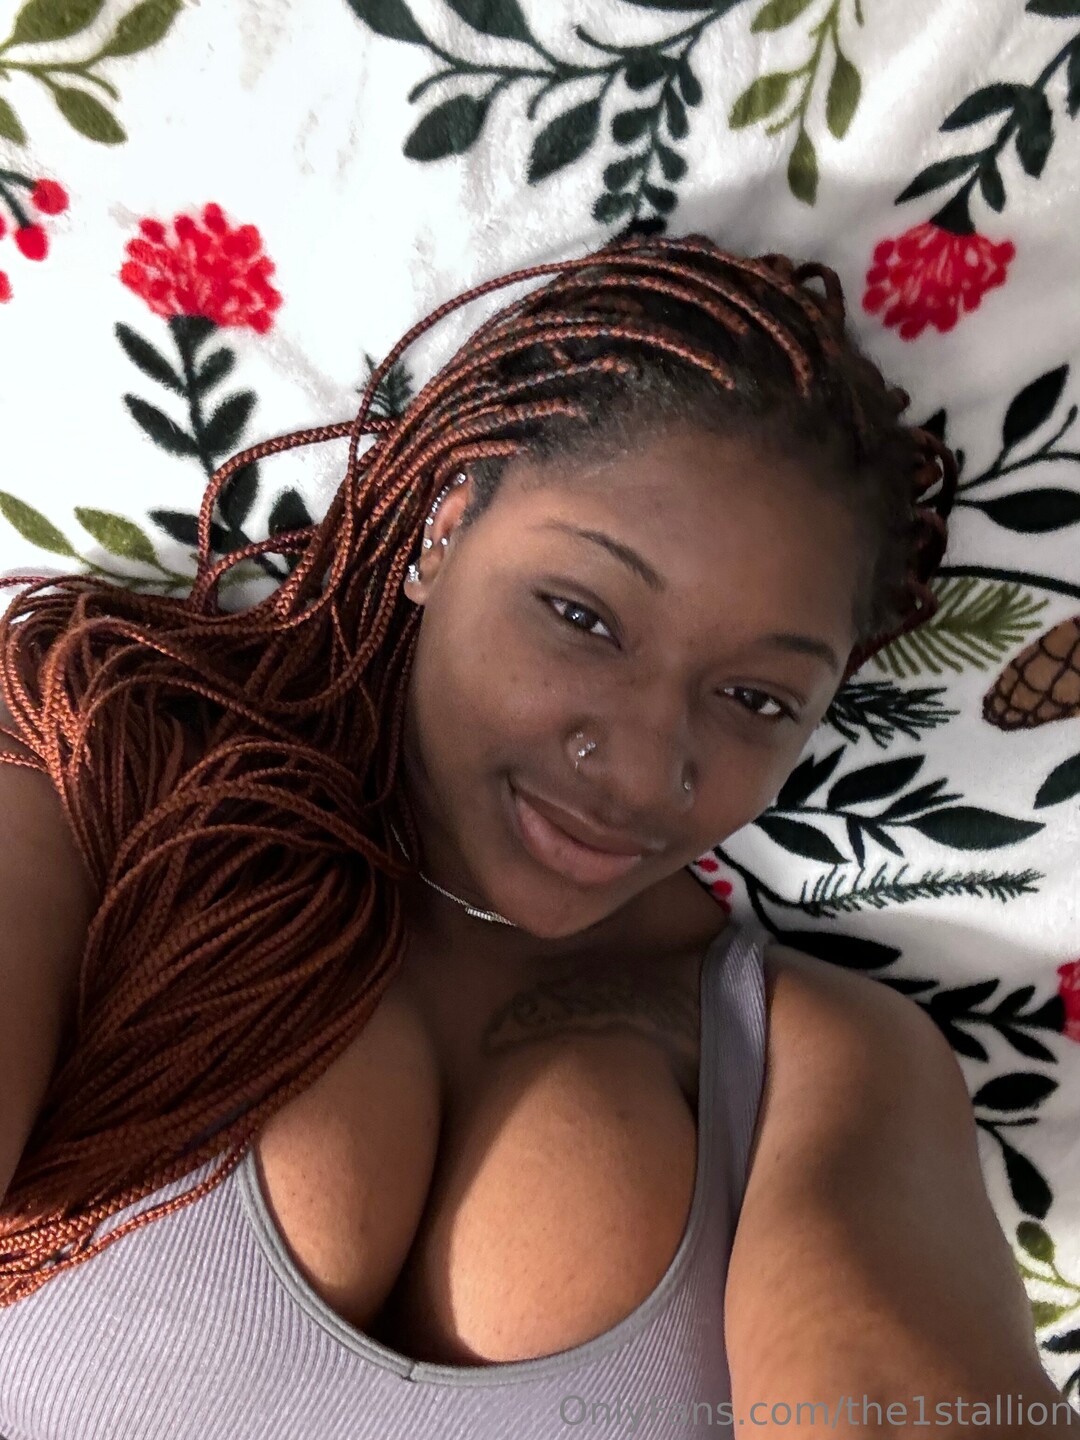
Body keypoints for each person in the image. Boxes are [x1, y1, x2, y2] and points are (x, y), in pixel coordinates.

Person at [0, 234, 1070, 1438]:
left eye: (756, 699)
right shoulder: (99, 780)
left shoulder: (822, 1065)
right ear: (445, 528)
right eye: (583, 616)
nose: (645, 765)